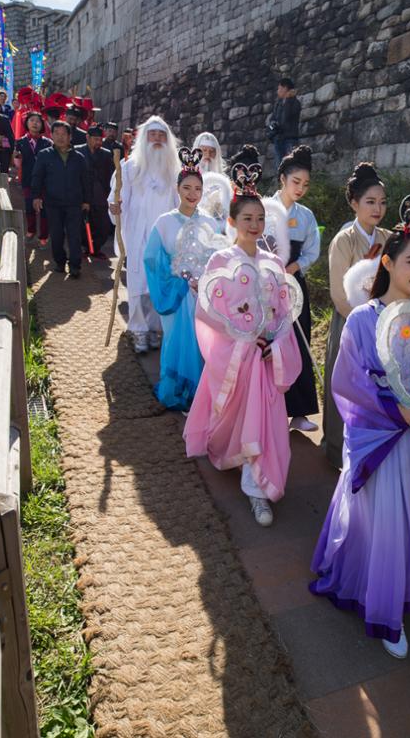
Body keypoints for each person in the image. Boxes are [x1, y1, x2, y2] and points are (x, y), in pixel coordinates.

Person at [310, 208, 410, 660]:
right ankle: (386, 614)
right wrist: (399, 411)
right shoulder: (362, 319)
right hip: (381, 439)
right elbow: (348, 383)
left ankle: (400, 591)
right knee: (384, 520)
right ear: (388, 263)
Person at [184, 145, 302, 527]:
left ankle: (257, 489)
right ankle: (240, 467)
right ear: (232, 221)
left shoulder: (272, 264)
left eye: (260, 218)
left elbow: (283, 313)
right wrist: (241, 342)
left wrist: (273, 343)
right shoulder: (220, 262)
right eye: (247, 218)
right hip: (238, 357)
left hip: (267, 360)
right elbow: (210, 314)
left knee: (266, 422)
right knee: (237, 422)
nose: (254, 224)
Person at [323, 163, 391, 468]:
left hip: (384, 321)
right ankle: (336, 446)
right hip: (350, 321)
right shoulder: (345, 241)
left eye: (382, 202)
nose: (377, 208)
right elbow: (339, 292)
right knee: (345, 381)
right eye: (370, 202)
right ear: (354, 203)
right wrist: (361, 322)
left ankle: (373, 446)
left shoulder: (390, 238)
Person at [144, 148, 220, 410]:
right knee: (176, 340)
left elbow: (218, 257)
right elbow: (152, 260)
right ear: (178, 188)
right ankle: (177, 390)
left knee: (203, 344)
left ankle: (200, 394)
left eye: (197, 188)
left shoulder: (211, 223)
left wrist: (206, 280)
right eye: (187, 187)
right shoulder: (164, 223)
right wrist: (179, 280)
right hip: (177, 294)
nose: (192, 193)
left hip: (202, 294)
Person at [108, 115, 180, 353]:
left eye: (162, 136)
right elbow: (117, 197)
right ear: (144, 138)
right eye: (153, 135)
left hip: (164, 239)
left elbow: (182, 203)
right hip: (138, 235)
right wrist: (115, 206)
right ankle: (138, 330)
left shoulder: (174, 172)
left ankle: (156, 328)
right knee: (138, 286)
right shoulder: (129, 169)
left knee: (160, 285)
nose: (157, 140)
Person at [274, 145, 321, 432]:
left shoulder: (306, 217)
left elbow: (313, 250)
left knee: (299, 342)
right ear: (282, 179)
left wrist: (296, 266)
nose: (300, 188)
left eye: (305, 184)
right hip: (267, 285)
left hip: (294, 284)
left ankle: (300, 412)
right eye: (296, 182)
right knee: (270, 345)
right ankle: (271, 408)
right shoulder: (264, 209)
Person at [31, 120, 91, 278]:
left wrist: (86, 201)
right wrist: (36, 196)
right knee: (56, 235)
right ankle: (59, 262)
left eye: (63, 134)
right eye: (56, 133)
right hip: (53, 203)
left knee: (74, 235)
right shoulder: (44, 155)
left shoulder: (79, 157)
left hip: (74, 203)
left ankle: (75, 266)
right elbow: (37, 177)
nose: (60, 137)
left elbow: (86, 180)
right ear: (51, 135)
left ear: (70, 136)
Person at [75, 125, 114, 258]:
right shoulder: (77, 151)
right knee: (82, 223)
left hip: (100, 193)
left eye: (100, 139)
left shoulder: (106, 154)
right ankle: (86, 247)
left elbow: (111, 175)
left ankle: (96, 248)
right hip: (81, 192)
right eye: (96, 139)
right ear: (88, 137)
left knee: (102, 224)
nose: (98, 142)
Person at [14, 111, 52, 244]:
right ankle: (31, 230)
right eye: (32, 120)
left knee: (44, 209)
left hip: (44, 181)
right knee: (29, 207)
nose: (35, 123)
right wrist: (16, 157)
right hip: (27, 179)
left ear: (42, 125)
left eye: (38, 121)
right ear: (27, 123)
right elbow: (16, 164)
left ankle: (44, 236)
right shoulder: (20, 142)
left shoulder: (48, 143)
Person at [267, 77, 301, 172]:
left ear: (285, 88)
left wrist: (289, 99)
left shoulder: (295, 103)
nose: (278, 91)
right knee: (280, 168)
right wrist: (272, 127)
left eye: (279, 88)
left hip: (290, 140)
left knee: (291, 168)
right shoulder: (278, 104)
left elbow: (287, 116)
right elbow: (272, 119)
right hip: (278, 139)